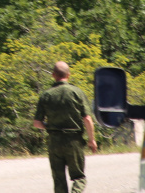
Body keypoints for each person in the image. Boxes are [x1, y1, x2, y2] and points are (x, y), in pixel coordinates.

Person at [32, 61, 98, 193]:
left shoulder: (46, 95)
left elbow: (37, 123)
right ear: (68, 75)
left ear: (53, 75)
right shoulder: (77, 92)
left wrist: (50, 127)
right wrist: (91, 140)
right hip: (73, 140)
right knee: (78, 177)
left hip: (54, 141)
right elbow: (87, 118)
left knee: (59, 180)